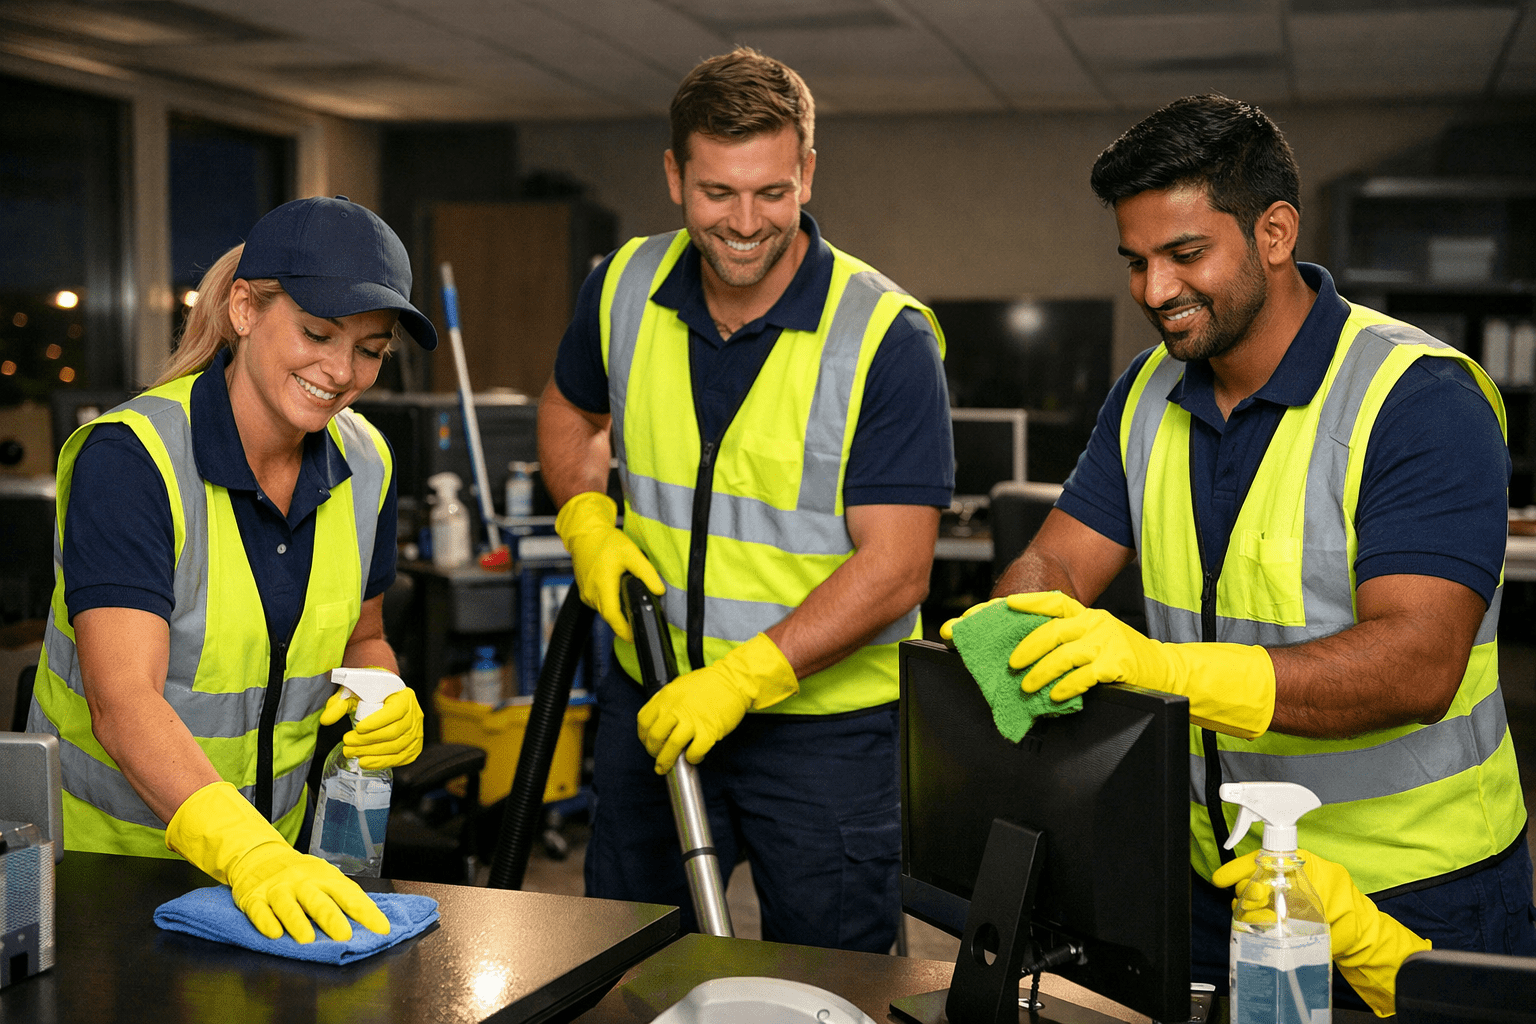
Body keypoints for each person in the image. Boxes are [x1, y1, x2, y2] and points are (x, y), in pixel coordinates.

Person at [954, 95, 1535, 1010]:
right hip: (1215, 875)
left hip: (1414, 889)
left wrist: (1159, 668)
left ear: (1274, 232)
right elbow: (1058, 561)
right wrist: (1027, 611)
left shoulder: (1417, 399)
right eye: (1136, 262)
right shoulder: (1145, 394)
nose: (1153, 290)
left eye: (1185, 255)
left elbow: (1421, 664)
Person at [538, 47, 953, 953]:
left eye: (771, 191)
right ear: (674, 175)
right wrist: (585, 520)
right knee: (623, 965)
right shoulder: (621, 285)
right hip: (654, 703)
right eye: (717, 193)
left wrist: (744, 677)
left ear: (806, 170)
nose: (744, 222)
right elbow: (570, 410)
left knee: (830, 981)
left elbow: (898, 567)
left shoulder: (885, 335)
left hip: (825, 738)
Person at [29, 195, 434, 944]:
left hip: (273, 879)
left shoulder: (366, 461)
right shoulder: (133, 461)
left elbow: (363, 635)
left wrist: (387, 692)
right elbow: (123, 702)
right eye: (317, 333)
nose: (341, 371)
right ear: (244, 308)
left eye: (371, 350)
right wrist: (248, 854)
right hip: (103, 878)